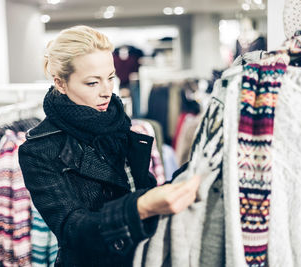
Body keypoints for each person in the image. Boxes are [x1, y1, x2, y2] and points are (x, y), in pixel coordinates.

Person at [18, 25, 201, 267]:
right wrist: (140, 208)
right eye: (93, 83)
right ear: (60, 84)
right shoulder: (39, 149)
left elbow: (140, 187)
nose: (107, 91)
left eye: (111, 77)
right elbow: (72, 229)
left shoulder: (118, 123)